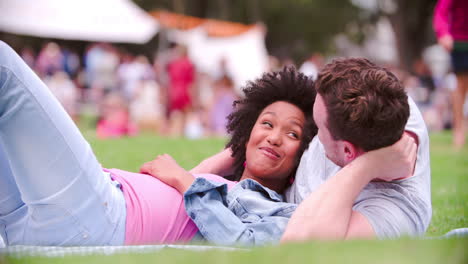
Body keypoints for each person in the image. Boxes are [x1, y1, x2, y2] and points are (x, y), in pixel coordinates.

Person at [0, 40, 319, 246]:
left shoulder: (276, 209)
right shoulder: (219, 182)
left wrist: (184, 179)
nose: (275, 137)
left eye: (292, 134)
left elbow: (243, 242)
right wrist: (233, 155)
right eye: (266, 124)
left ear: (300, 158)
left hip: (96, 218)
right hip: (28, 225)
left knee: (5, 67)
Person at [191, 58, 428, 241]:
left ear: (347, 153)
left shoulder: (397, 213)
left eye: (318, 132)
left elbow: (299, 244)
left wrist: (368, 165)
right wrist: (205, 169)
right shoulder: (385, 100)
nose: (311, 134)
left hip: (256, 207)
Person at [433, 0, 468, 149]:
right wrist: (443, 33)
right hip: (461, 41)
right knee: (461, 86)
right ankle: (459, 130)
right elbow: (441, 12)